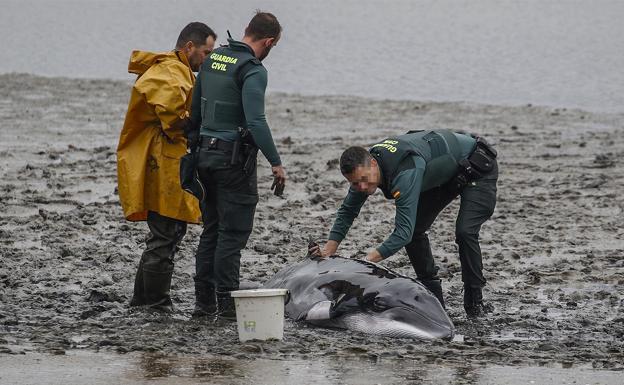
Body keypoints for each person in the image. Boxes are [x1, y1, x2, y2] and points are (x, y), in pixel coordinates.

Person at [309, 130, 498, 317]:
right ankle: (434, 298)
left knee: (464, 232)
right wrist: (328, 250)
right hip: (444, 175)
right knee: (416, 231)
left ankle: (475, 302)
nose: (362, 188)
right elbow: (348, 211)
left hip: (476, 165)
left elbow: (402, 232)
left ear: (373, 163)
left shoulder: (405, 172)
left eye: (364, 180)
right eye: (355, 184)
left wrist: (364, 264)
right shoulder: (363, 170)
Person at [185, 11, 286, 319]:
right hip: (233, 163)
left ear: (246, 30)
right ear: (268, 42)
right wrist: (276, 163)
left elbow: (195, 112)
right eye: (274, 45)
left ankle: (204, 305)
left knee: (212, 230)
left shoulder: (214, 59)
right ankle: (228, 310)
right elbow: (256, 120)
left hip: (204, 157)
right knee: (233, 234)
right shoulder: (253, 69)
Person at [117, 22, 217, 312]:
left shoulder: (174, 70)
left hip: (163, 159)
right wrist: (201, 127)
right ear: (189, 47)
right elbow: (173, 119)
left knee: (164, 236)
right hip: (161, 163)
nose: (208, 59)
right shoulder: (169, 72)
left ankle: (142, 301)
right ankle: (157, 303)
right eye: (206, 53)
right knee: (165, 234)